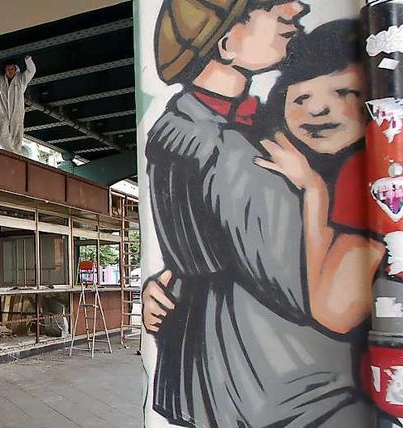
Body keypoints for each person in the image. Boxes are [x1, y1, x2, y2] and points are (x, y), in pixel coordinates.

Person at [142, 0, 371, 425]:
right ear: (227, 42)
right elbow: (302, 282)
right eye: (266, 5)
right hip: (286, 387)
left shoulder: (193, 127)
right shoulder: (227, 151)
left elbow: (199, 252)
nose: (296, 9)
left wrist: (165, 280)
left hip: (232, 380)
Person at [254, 19, 384, 335]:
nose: (317, 110)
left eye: (342, 92)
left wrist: (313, 190)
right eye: (301, 99)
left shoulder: (360, 171)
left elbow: (332, 311)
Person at [0, 55, 36, 154]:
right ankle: (9, 152)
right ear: (5, 70)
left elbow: (31, 71)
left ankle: (17, 153)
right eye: (8, 69)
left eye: (12, 69)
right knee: (0, 134)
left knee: (17, 132)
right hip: (3, 110)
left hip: (17, 110)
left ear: (15, 69)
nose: (10, 71)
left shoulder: (21, 79)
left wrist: (28, 60)